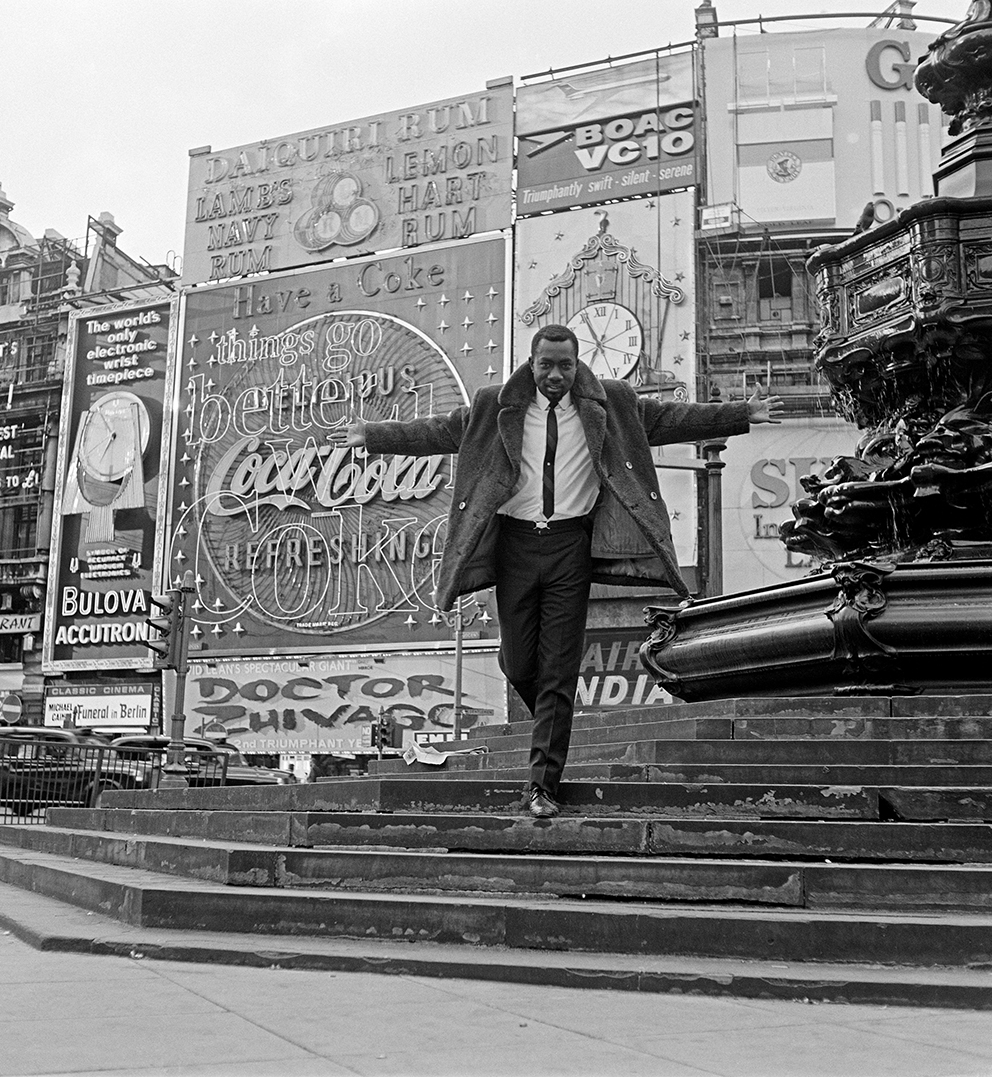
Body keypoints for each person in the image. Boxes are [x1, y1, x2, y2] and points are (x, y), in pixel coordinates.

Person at [335, 324, 783, 818]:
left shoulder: (611, 402)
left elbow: (673, 417)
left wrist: (742, 414)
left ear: (578, 363)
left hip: (572, 545)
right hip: (515, 546)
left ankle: (542, 786)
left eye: (565, 365)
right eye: (546, 364)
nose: (555, 374)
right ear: (532, 362)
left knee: (558, 670)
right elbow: (441, 430)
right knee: (520, 663)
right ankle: (556, 718)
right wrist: (371, 435)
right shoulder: (494, 405)